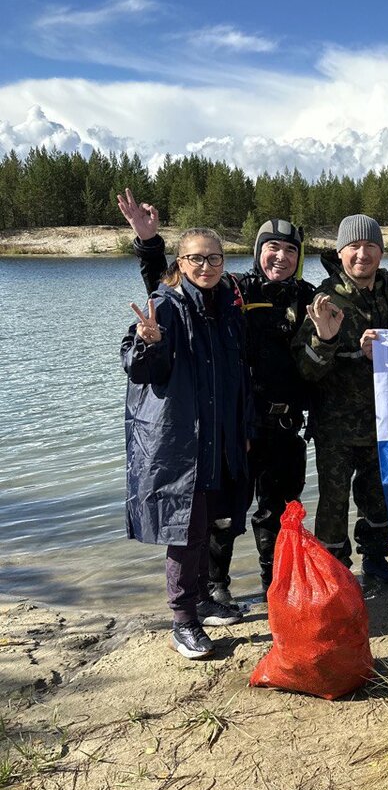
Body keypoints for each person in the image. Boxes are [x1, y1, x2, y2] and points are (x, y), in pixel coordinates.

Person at [118, 190, 316, 606]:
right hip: (236, 425)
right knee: (223, 514)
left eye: (290, 251)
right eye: (272, 248)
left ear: (300, 257)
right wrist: (150, 243)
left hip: (284, 425)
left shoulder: (310, 297)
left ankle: (275, 585)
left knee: (280, 513)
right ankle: (214, 585)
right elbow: (172, 288)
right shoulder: (232, 291)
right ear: (258, 252)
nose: (280, 257)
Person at [121, 227, 252, 659]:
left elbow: (235, 380)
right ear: (180, 263)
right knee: (185, 529)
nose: (206, 266)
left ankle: (200, 599)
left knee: (210, 523)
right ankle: (183, 621)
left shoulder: (226, 309)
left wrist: (242, 432)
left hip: (217, 439)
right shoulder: (166, 306)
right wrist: (148, 344)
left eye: (214, 258)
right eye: (196, 258)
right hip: (180, 443)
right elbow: (141, 371)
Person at [292, 215, 388, 583]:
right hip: (335, 428)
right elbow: (306, 370)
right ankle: (332, 571)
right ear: (340, 253)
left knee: (378, 497)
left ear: (381, 252)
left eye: (371, 246)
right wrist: (325, 338)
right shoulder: (322, 299)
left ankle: (375, 558)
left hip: (384, 423)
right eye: (354, 247)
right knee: (333, 504)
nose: (362, 254)